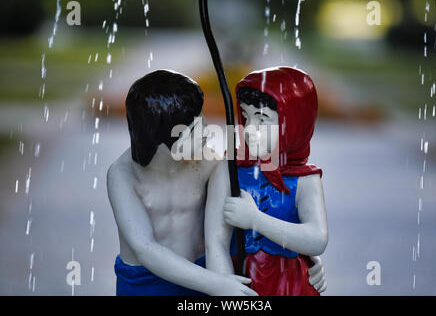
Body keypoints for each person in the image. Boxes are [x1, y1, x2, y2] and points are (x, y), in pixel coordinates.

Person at [107, 69, 326, 296]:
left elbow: (224, 235)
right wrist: (216, 284)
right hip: (145, 281)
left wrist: (303, 256)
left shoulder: (210, 163)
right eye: (192, 129)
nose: (206, 132)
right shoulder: (123, 176)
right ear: (157, 137)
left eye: (202, 119)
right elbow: (145, 248)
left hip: (203, 272)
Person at [205, 67, 328, 295]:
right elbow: (215, 243)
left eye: (262, 119)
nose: (250, 129)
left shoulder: (305, 179)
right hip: (242, 281)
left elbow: (317, 239)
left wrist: (255, 220)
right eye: (245, 116)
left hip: (292, 284)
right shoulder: (229, 169)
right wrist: (224, 287)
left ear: (294, 124)